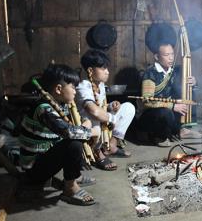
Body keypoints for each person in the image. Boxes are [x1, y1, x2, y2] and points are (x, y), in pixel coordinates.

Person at [18, 64, 99, 206]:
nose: (75, 91)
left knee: (76, 138)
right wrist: (91, 131)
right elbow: (68, 132)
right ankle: (70, 188)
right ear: (59, 89)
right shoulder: (44, 109)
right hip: (34, 170)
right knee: (74, 143)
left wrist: (84, 123)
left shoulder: (60, 104)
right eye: (73, 87)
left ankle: (75, 176)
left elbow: (73, 126)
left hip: (46, 159)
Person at [76, 49, 135, 171]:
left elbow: (101, 106)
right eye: (103, 69)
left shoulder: (101, 85)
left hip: (101, 120)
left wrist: (111, 106)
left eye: (107, 68)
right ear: (91, 71)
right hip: (87, 124)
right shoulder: (83, 86)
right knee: (95, 120)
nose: (107, 72)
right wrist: (113, 118)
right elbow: (94, 111)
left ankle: (111, 146)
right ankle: (97, 152)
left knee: (128, 107)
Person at [137, 43, 202, 147]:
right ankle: (158, 136)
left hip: (168, 110)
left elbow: (182, 89)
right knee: (164, 112)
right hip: (151, 115)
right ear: (157, 57)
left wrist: (194, 82)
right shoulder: (150, 74)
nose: (171, 58)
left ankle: (182, 130)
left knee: (188, 93)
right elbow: (147, 102)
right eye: (166, 55)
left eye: (172, 54)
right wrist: (173, 106)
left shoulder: (174, 71)